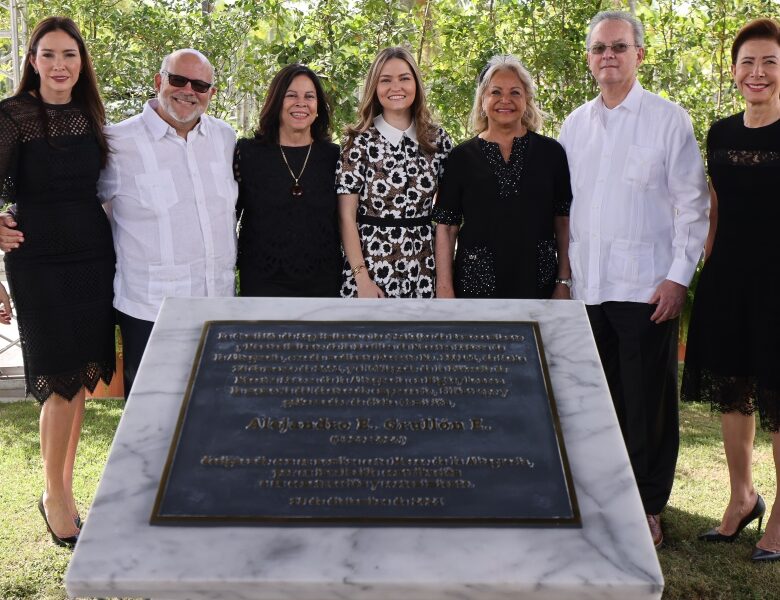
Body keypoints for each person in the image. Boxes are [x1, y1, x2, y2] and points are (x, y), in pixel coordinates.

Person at [0, 48, 238, 398]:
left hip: (218, 307)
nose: (189, 90)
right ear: (158, 81)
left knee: (217, 412)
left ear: (211, 93)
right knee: (152, 419)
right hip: (150, 311)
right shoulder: (116, 142)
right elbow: (63, 194)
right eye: (178, 80)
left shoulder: (225, 139)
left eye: (200, 85)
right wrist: (11, 216)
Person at [558, 10, 709, 549]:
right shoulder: (574, 125)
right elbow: (566, 210)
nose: (609, 56)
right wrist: (565, 279)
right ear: (589, 58)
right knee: (597, 403)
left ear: (639, 55)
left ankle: (647, 507)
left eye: (619, 47)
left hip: (646, 288)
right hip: (588, 290)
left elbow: (693, 206)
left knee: (647, 405)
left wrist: (678, 278)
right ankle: (601, 499)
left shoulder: (669, 120)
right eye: (600, 48)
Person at [0, 16, 116, 547]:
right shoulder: (13, 115)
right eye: (48, 54)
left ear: (81, 61)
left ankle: (65, 491)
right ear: (32, 61)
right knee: (57, 381)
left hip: (93, 257)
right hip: (38, 261)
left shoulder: (91, 115)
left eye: (69, 54)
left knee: (80, 379)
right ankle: (54, 499)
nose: (59, 65)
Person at [681, 18, 780, 562]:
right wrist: (708, 266)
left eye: (769, 62)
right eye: (747, 62)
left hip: (777, 283)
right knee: (733, 391)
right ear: (735, 70)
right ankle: (742, 497)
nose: (757, 72)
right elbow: (715, 208)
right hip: (727, 279)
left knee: (778, 398)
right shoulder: (719, 132)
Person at [434, 54, 572, 299]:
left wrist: (563, 281)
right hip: (475, 287)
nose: (505, 100)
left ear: (527, 99)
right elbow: (446, 227)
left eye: (515, 92)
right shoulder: (461, 157)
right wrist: (444, 288)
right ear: (482, 100)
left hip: (539, 285)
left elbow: (563, 221)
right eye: (495, 92)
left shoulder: (552, 153)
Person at [337, 46, 453, 298]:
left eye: (404, 78)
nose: (396, 87)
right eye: (386, 80)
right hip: (370, 271)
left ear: (416, 84)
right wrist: (361, 278)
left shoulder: (438, 140)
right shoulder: (358, 142)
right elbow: (346, 216)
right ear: (374, 87)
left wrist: (444, 282)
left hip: (423, 268)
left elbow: (448, 216)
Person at [234, 64, 341, 297]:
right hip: (261, 283)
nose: (301, 103)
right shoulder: (247, 154)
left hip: (323, 284)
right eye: (291, 95)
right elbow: (228, 215)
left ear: (318, 106)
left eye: (309, 97)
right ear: (276, 101)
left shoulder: (336, 157)